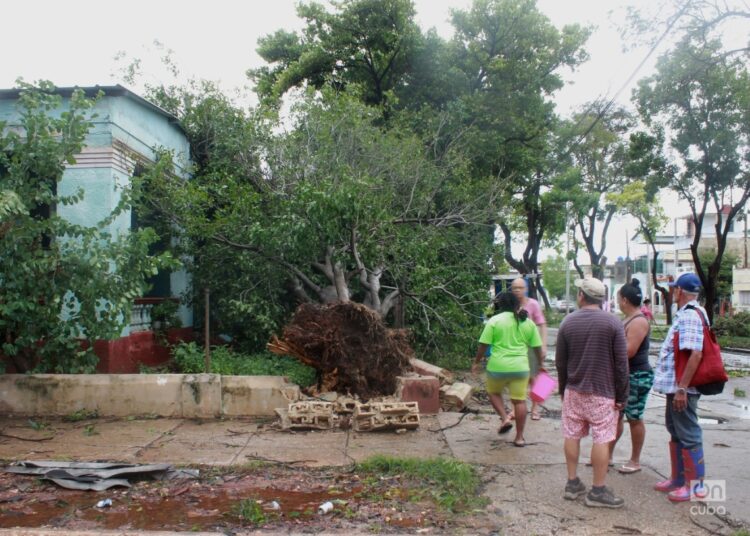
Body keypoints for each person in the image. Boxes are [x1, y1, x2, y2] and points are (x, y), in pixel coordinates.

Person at [555, 277, 629, 508]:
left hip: (574, 391)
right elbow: (621, 364)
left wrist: (563, 388)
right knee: (602, 438)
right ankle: (597, 490)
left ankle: (572, 482)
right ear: (602, 299)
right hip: (603, 393)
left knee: (572, 434)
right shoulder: (613, 323)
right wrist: (622, 395)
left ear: (581, 295)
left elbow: (560, 362)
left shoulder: (567, 322)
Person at [652, 273, 708, 502]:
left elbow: (695, 353)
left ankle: (695, 486)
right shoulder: (689, 313)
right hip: (676, 386)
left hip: (683, 388)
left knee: (688, 432)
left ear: (681, 292)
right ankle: (678, 479)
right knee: (675, 430)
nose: (672, 293)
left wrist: (682, 389)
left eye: (674, 289)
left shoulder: (690, 317)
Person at [472, 292, 543, 447]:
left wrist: (476, 362)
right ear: (517, 304)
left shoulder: (494, 321)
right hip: (521, 368)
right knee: (519, 401)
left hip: (497, 367)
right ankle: (519, 438)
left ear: (500, 305)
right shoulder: (527, 323)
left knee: (493, 393)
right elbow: (537, 347)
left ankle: (504, 418)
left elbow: (483, 345)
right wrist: (540, 363)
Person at [610, 279, 653, 474]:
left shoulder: (639, 321)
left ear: (625, 300)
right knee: (615, 416)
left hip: (637, 375)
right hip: (624, 375)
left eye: (618, 299)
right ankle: (606, 455)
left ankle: (635, 460)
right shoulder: (628, 319)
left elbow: (628, 351)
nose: (618, 302)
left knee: (634, 417)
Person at [510, 278, 548, 420]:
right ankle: (516, 409)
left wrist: (543, 345)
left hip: (531, 346)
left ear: (525, 289)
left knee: (535, 379)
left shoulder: (533, 304)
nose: (517, 290)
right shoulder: (510, 304)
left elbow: (542, 324)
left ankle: (535, 409)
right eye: (514, 288)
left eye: (520, 287)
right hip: (514, 347)